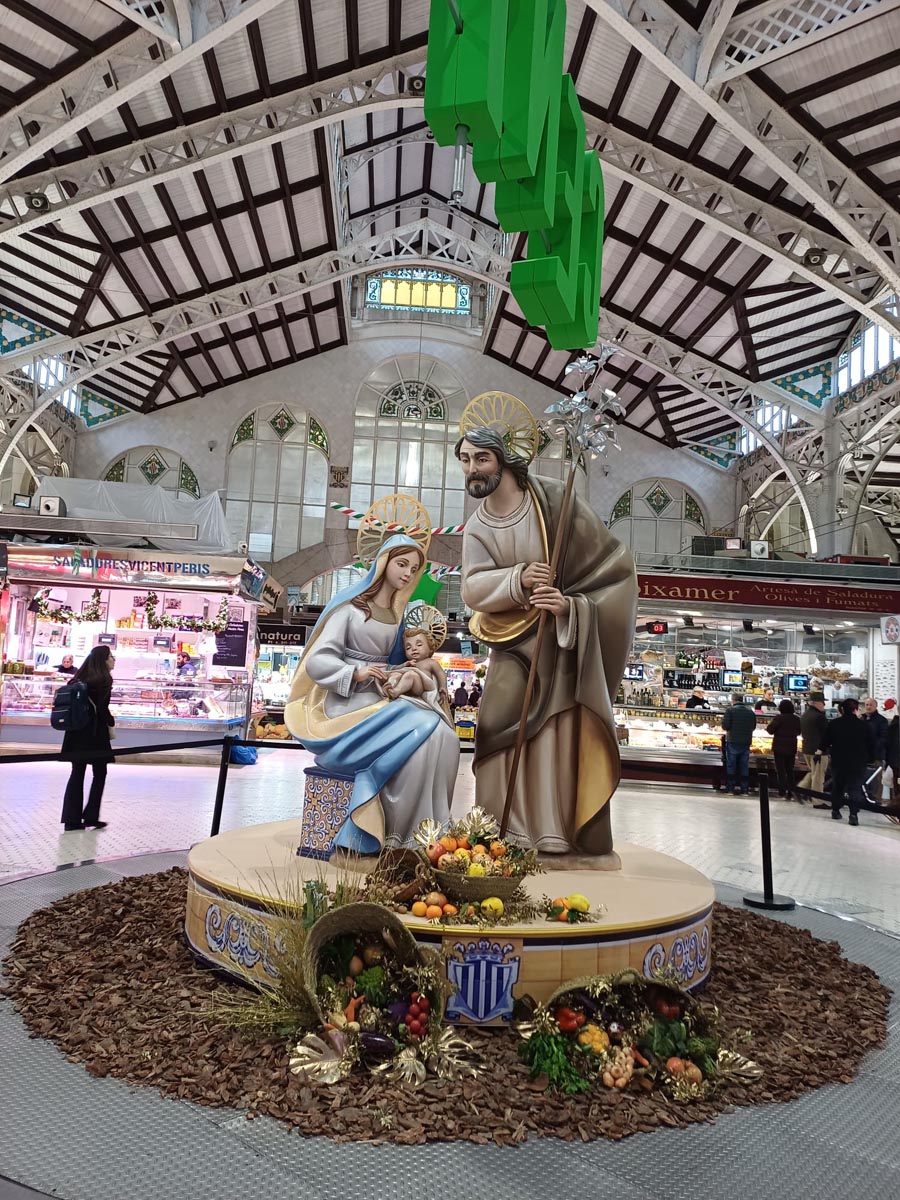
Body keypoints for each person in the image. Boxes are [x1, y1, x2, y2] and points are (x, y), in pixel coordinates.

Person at [457, 426, 637, 859]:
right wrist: (517, 578)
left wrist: (570, 606)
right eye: (465, 459)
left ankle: (552, 828)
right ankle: (500, 827)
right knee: (493, 725)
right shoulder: (478, 526)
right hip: (511, 643)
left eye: (481, 458)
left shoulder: (555, 499)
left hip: (562, 643)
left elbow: (613, 572)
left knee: (554, 731)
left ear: (503, 458)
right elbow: (471, 589)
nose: (472, 468)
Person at [284, 536, 459, 851]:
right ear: (384, 562)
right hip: (346, 703)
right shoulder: (350, 610)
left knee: (444, 736)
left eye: (414, 569)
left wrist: (402, 674)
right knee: (424, 726)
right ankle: (397, 834)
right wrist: (356, 673)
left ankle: (426, 831)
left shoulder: (396, 617)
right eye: (402, 564)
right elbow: (318, 662)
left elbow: (397, 665)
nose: (407, 573)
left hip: (379, 697)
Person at [60, 646, 116, 831]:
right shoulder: (104, 679)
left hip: (76, 732)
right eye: (111, 657)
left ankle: (71, 819)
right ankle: (91, 815)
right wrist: (111, 721)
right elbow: (102, 708)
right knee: (100, 772)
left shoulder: (79, 677)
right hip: (95, 732)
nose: (113, 660)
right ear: (103, 660)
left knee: (77, 773)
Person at [381, 627, 451, 721]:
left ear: (430, 648)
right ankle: (390, 688)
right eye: (408, 647)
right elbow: (396, 669)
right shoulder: (409, 663)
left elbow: (441, 674)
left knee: (411, 675)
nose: (413, 649)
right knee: (395, 674)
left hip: (421, 687)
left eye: (419, 645)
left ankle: (395, 692)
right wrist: (405, 665)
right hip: (409, 688)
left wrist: (443, 686)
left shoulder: (430, 662)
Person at [824, 697, 875, 825]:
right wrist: (871, 758)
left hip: (839, 760)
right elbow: (871, 744)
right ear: (856, 709)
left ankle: (835, 810)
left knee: (838, 786)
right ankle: (853, 814)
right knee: (855, 788)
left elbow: (826, 741)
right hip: (858, 761)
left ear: (842, 710)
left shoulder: (835, 724)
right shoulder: (864, 725)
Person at [721, 693, 757, 795]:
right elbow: (753, 726)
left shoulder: (730, 710)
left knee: (731, 765)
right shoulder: (750, 711)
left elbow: (725, 726)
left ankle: (730, 789)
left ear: (733, 700)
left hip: (732, 741)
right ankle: (744, 789)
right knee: (744, 766)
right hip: (746, 741)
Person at [798, 691, 829, 802]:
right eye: (823, 702)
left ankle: (799, 789)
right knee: (818, 777)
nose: (824, 705)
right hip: (818, 751)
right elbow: (827, 734)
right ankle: (817, 801)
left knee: (814, 772)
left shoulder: (805, 715)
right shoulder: (819, 717)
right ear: (816, 703)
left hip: (807, 749)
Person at [767, 699, 801, 799]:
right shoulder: (796, 719)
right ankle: (791, 792)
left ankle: (782, 792)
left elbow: (770, 730)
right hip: (791, 747)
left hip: (779, 748)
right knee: (790, 771)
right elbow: (799, 732)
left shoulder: (779, 718)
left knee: (781, 771)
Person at [862, 696, 889, 802]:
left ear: (876, 706)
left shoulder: (881, 720)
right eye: (867, 705)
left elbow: (883, 738)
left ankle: (877, 799)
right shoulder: (862, 718)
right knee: (863, 776)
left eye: (871, 705)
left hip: (876, 755)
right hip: (863, 754)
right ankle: (864, 797)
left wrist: (873, 747)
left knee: (876, 779)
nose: (868, 707)